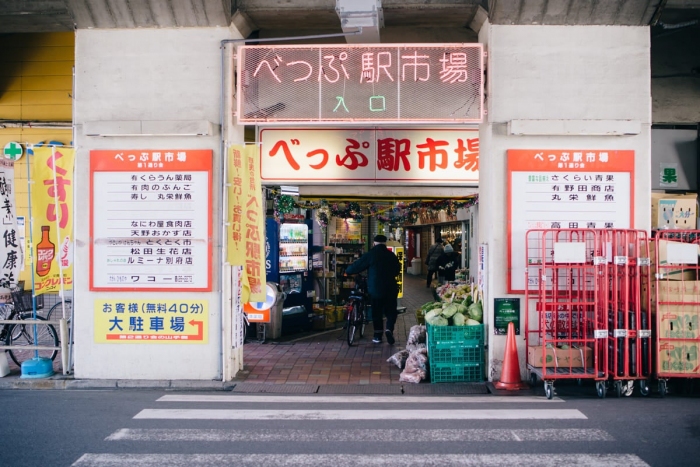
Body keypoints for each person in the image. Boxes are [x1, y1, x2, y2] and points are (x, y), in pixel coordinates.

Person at [345, 234, 401, 344]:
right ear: (385, 243)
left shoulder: (370, 254)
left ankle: (378, 336)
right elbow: (396, 271)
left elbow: (357, 266)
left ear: (374, 243)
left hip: (376, 289)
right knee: (391, 311)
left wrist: (348, 271)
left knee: (377, 312)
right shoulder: (392, 255)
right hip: (390, 288)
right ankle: (389, 329)